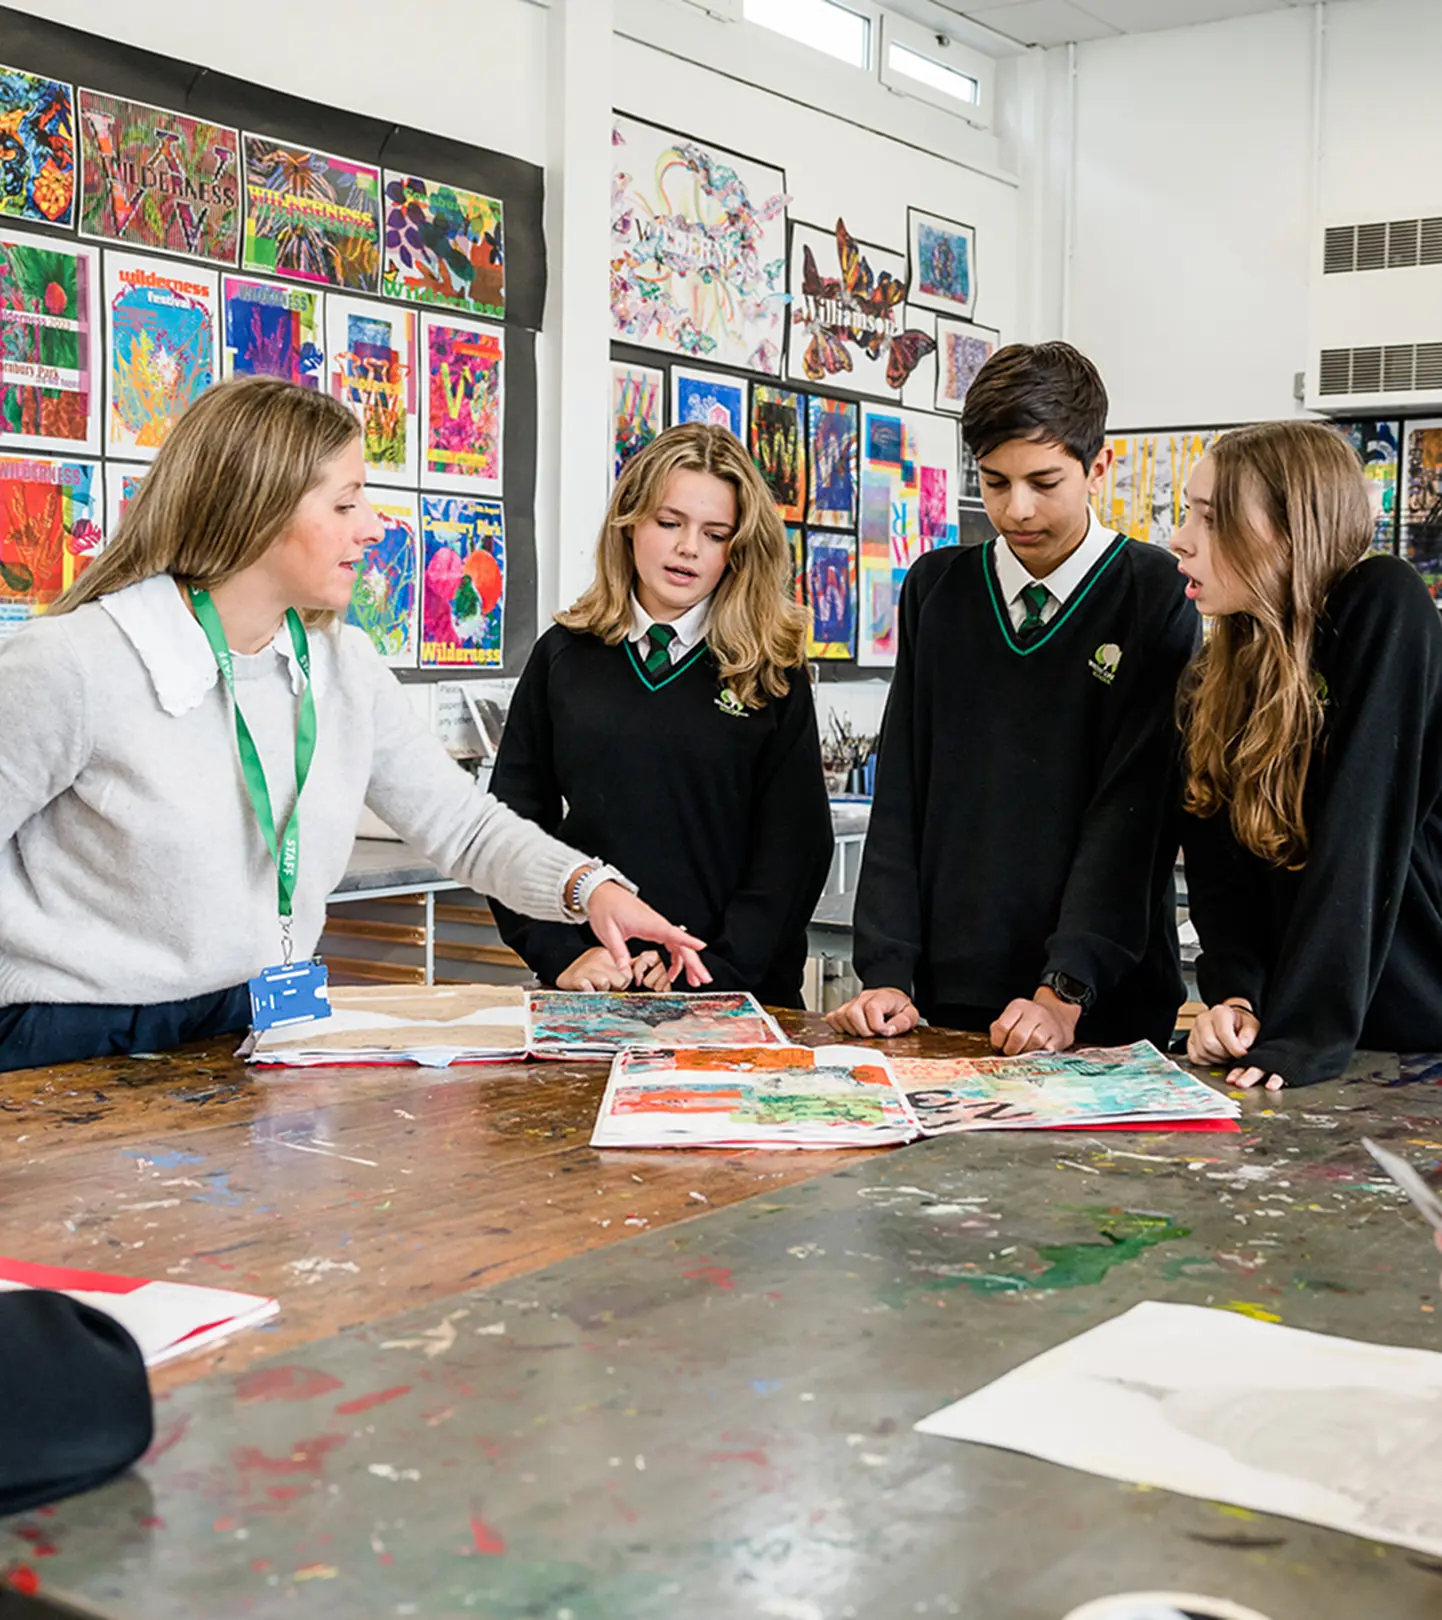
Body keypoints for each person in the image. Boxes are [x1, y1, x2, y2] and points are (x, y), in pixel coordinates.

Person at [0, 378, 706, 1073]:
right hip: (72, 1044)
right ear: (257, 509)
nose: (373, 527)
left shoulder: (341, 663)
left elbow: (463, 827)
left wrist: (590, 889)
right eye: (345, 503)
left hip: (254, 1027)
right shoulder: (75, 663)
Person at [829, 342, 1198, 1053]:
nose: (1017, 509)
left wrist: (1065, 989)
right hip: (947, 992)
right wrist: (887, 971)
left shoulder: (1154, 594)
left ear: (1098, 469)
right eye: (995, 483)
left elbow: (1134, 817)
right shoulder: (938, 590)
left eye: (1044, 481)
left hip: (1100, 1004)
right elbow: (903, 791)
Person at [489, 423, 832, 1006]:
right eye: (669, 523)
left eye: (714, 533)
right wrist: (564, 954)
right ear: (629, 524)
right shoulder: (565, 655)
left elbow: (794, 852)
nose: (688, 548)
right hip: (598, 991)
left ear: (738, 548)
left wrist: (708, 967)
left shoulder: (771, 668)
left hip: (737, 997)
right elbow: (513, 825)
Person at [1174, 420, 1442, 1089]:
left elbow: (1362, 831)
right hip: (1298, 1044)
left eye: (1210, 518)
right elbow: (1219, 876)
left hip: (1413, 1039)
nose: (1180, 540)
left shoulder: (1384, 603)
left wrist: (1300, 1037)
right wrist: (1236, 998)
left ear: (1288, 529)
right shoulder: (1213, 677)